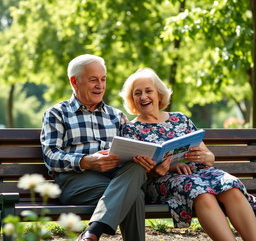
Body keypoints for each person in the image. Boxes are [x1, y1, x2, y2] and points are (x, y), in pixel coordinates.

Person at [119, 67, 256, 241]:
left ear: (159, 94)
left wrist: (207, 157)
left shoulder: (180, 119)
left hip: (200, 173)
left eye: (148, 91)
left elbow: (208, 155)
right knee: (201, 193)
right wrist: (164, 168)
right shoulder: (131, 129)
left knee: (231, 186)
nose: (143, 96)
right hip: (164, 180)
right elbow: (137, 170)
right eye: (137, 93)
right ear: (132, 100)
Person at [40, 54, 147, 241]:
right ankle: (93, 233)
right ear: (75, 82)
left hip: (115, 178)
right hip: (76, 181)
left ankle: (92, 233)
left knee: (136, 170)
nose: (100, 85)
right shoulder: (57, 113)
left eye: (103, 79)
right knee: (134, 195)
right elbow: (51, 156)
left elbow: (132, 150)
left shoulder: (117, 116)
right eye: (93, 80)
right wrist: (87, 161)